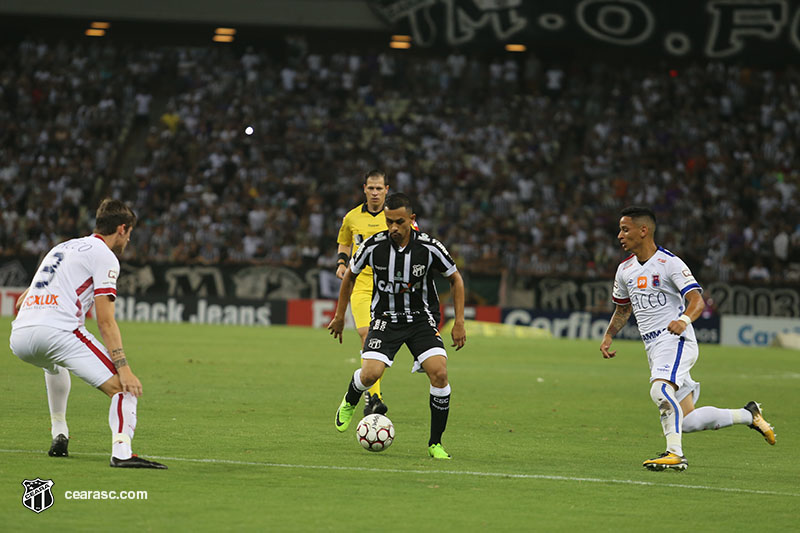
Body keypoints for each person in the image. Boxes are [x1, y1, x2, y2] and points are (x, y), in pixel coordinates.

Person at [600, 206, 775, 471]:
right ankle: (749, 414)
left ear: (643, 230)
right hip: (653, 347)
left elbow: (696, 301)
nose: (619, 235)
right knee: (688, 420)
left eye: (625, 229)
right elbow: (623, 309)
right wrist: (609, 335)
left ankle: (675, 454)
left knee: (660, 391)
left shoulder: (670, 263)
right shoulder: (625, 269)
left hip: (676, 340)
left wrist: (683, 320)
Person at [9, 199, 167, 469]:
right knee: (124, 389)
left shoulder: (62, 248)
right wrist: (124, 368)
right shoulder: (105, 256)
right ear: (121, 228)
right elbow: (105, 321)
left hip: (21, 336)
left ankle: (59, 431)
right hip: (58, 332)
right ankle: (122, 452)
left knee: (53, 363)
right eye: (129, 233)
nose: (129, 239)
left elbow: (22, 301)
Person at [328, 193, 466, 459]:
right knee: (370, 375)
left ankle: (435, 443)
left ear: (411, 219)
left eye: (399, 222)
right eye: (388, 221)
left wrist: (459, 322)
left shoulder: (429, 247)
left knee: (439, 373)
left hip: (420, 320)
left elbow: (455, 279)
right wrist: (339, 315)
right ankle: (351, 398)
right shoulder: (372, 246)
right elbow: (350, 277)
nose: (393, 227)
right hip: (385, 319)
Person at [335, 169, 394, 416]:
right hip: (360, 283)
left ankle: (370, 390)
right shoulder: (352, 217)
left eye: (379, 188)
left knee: (382, 340)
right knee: (366, 333)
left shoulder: (395, 216)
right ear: (364, 189)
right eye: (371, 188)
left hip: (388, 285)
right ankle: (374, 397)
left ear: (386, 190)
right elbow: (345, 241)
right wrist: (341, 262)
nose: (375, 193)